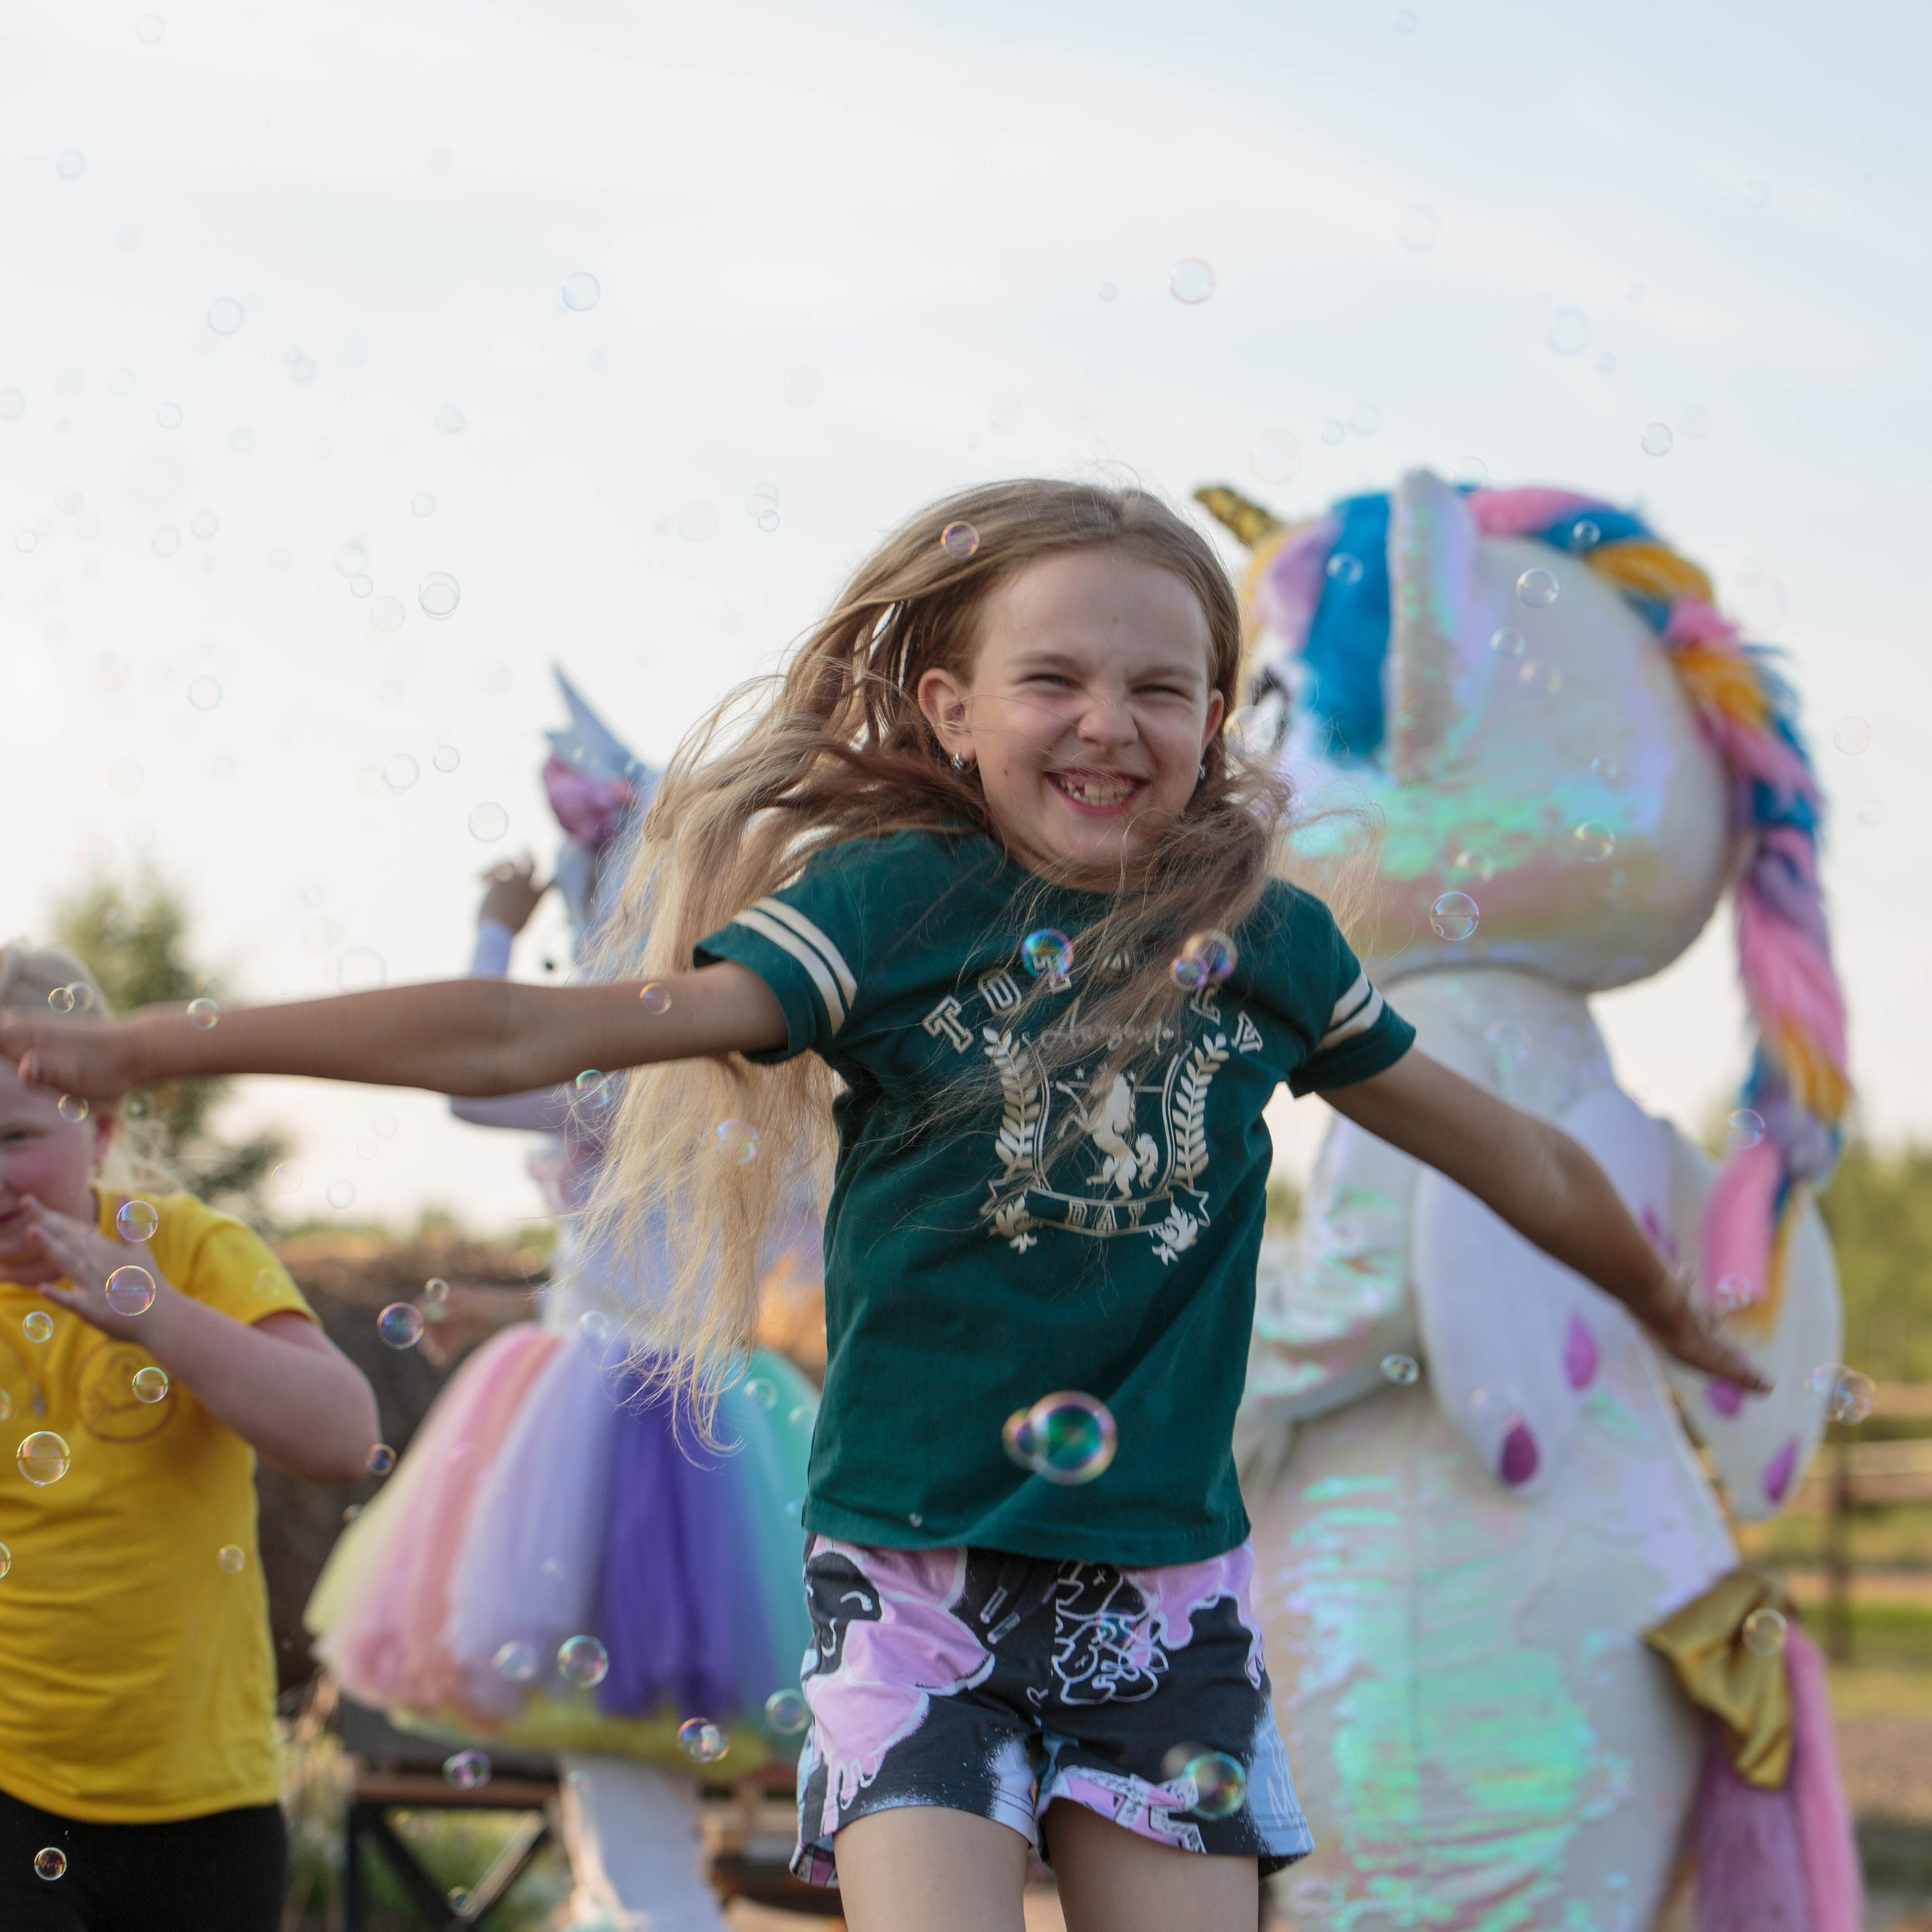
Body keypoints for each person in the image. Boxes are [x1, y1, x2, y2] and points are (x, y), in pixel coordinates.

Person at [2, 481, 1761, 1932]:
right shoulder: (890, 908)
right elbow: (531, 1026)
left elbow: (1512, 1157)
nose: (1106, 720)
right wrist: (147, 1039)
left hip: (1157, 1591)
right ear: (948, 710)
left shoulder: (1273, 951)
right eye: (1049, 677)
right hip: (911, 1579)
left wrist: (1668, 1306)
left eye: (1160, 686)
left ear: (1212, 719)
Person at [308, 676, 818, 1932]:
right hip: (710, 1413)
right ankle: (621, 1912)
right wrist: (521, 1299)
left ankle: (642, 1918)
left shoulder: (630, 1059)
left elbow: (477, 1090)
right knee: (620, 1774)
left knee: (619, 1776)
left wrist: (493, 929)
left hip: (612, 1429)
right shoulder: (781, 1065)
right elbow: (676, 1262)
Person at [0, 943, 378, 1932]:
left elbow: (342, 1435)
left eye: (12, 1137)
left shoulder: (184, 1253)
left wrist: (151, 1312)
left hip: (208, 1802)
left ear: (102, 1128)